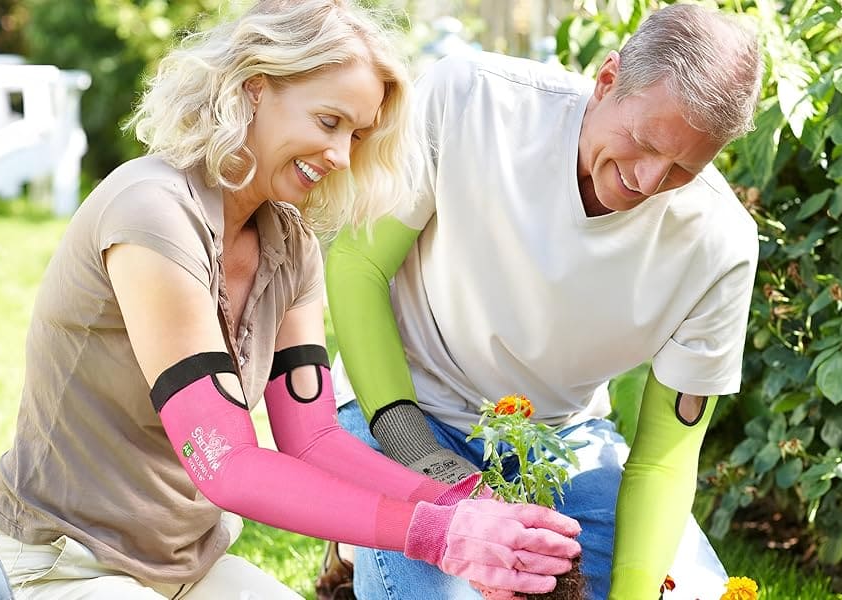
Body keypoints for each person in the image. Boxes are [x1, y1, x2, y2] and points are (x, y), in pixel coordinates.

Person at [0, 1, 581, 598]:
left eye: (357, 134)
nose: (342, 156)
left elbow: (313, 441)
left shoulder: (289, 246)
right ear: (256, 89)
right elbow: (227, 463)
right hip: (61, 564)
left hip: (188, 565)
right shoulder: (151, 212)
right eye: (328, 122)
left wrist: (457, 503)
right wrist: (430, 533)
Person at [326, 4, 763, 599]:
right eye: (641, 141)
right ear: (607, 81)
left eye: (684, 168)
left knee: (683, 591)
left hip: (561, 442)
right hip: (407, 409)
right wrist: (419, 453)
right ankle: (356, 547)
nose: (648, 181)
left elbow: (665, 459)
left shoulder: (719, 245)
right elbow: (357, 265)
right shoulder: (471, 100)